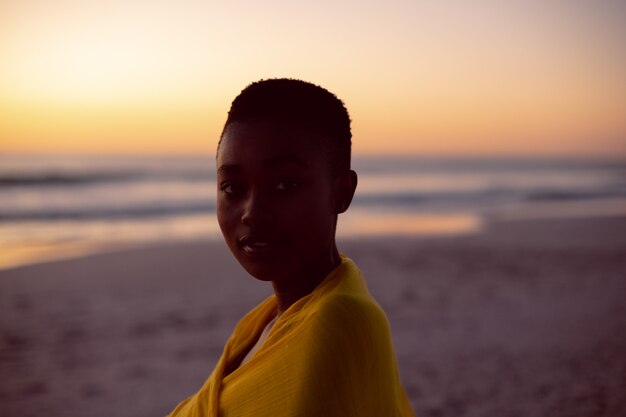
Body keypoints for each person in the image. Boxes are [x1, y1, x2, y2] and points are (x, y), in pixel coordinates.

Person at [167, 78, 414, 417]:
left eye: (285, 184)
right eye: (232, 187)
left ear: (342, 193)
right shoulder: (262, 322)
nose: (252, 213)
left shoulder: (339, 321)